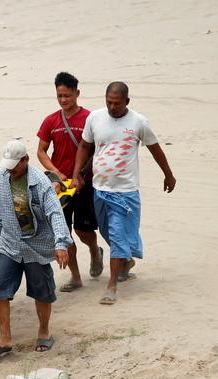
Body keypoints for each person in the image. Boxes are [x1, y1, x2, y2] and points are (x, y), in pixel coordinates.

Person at [72, 81, 176, 305]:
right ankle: (126, 262)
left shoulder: (139, 122)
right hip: (99, 189)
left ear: (127, 102)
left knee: (118, 234)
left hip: (125, 191)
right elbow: (84, 147)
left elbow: (155, 149)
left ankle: (112, 285)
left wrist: (168, 174)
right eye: (108, 102)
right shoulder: (95, 118)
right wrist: (77, 174)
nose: (111, 107)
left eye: (116, 103)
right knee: (108, 233)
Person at [0, 140, 72, 358]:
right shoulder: (1, 177)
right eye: (8, 166)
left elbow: (55, 213)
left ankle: (44, 332)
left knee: (42, 290)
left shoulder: (40, 182)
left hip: (37, 244)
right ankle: (5, 339)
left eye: (15, 165)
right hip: (10, 242)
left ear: (25, 160)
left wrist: (61, 244)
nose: (11, 170)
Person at [37, 72, 104, 293]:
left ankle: (95, 250)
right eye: (59, 96)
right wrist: (55, 172)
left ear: (77, 93)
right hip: (60, 186)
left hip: (85, 183)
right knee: (63, 234)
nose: (64, 100)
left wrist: (83, 174)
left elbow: (98, 150)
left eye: (67, 95)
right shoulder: (51, 121)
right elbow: (41, 151)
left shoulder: (90, 118)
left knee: (84, 230)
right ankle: (75, 277)